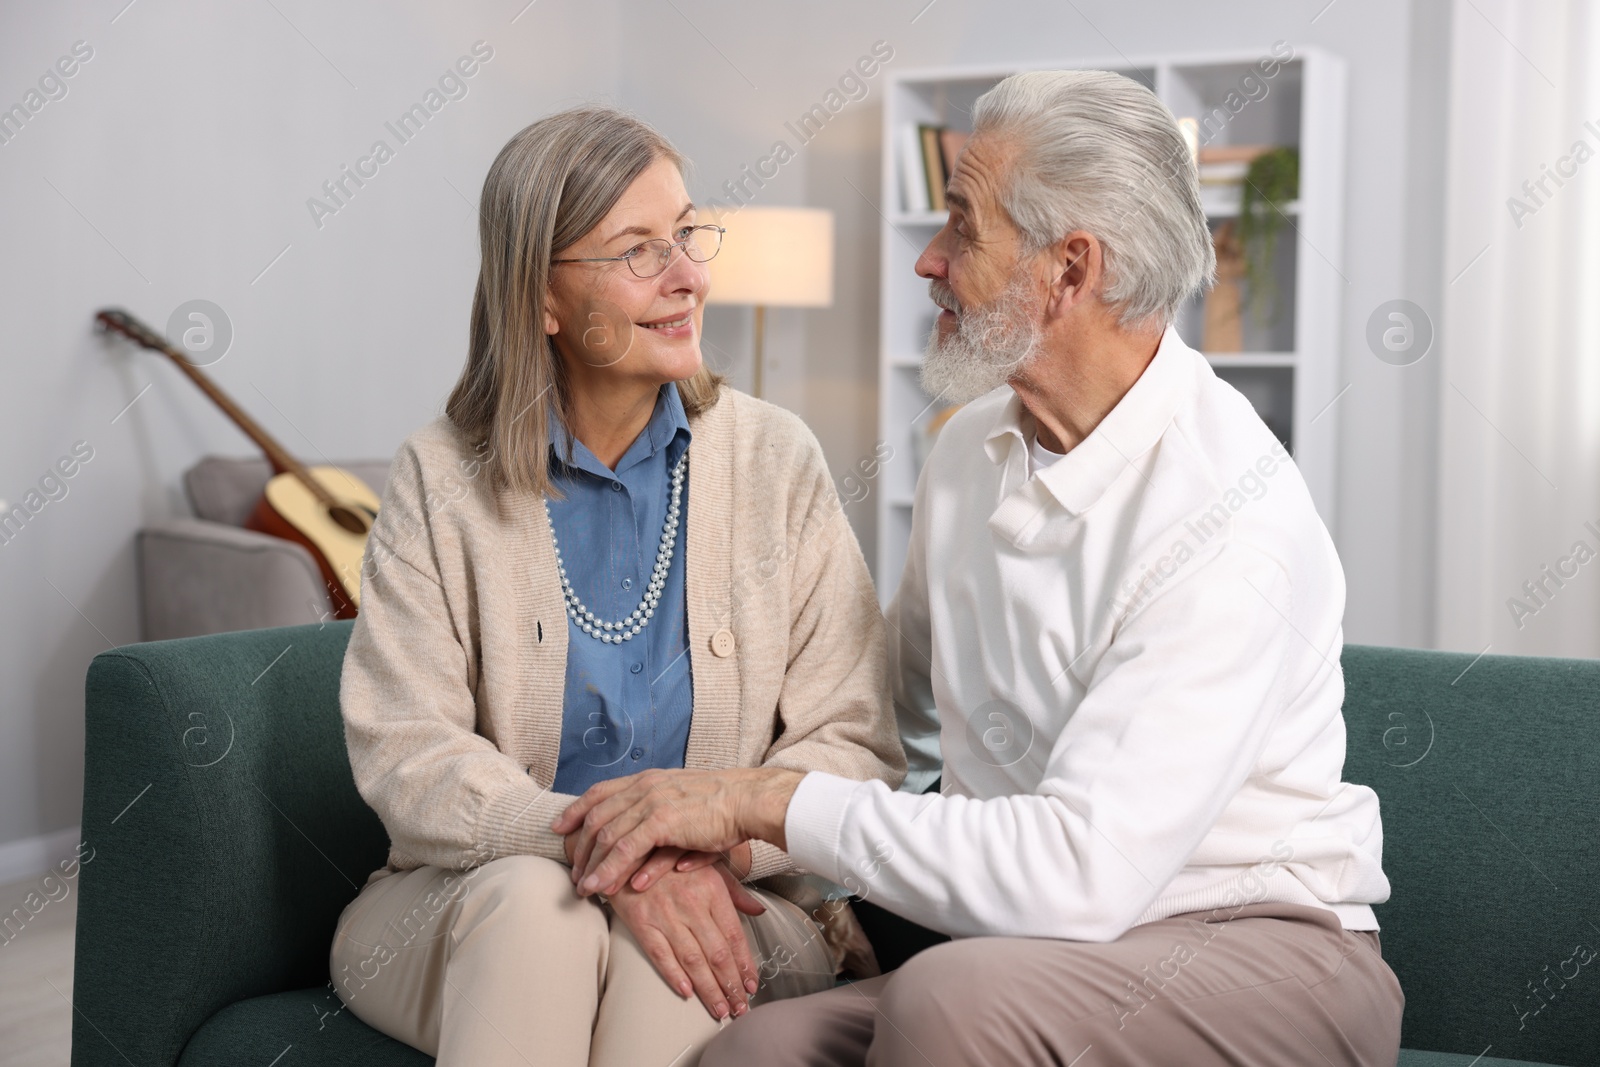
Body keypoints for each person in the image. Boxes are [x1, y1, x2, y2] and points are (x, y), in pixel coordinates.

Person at [552, 70, 1406, 1066]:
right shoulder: (972, 451)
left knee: (950, 997)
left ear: (1067, 271)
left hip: (1264, 954)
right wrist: (701, 836)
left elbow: (1085, 870)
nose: (928, 259)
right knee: (750, 1051)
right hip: (1035, 955)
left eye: (961, 226)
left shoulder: (1228, 517)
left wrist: (752, 798)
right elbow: (888, 713)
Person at [327, 105, 905, 1067]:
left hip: (740, 896)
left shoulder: (776, 462)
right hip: (473, 896)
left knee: (659, 952)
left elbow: (855, 742)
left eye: (686, 234)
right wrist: (609, 847)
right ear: (542, 297)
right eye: (638, 250)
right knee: (530, 910)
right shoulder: (440, 476)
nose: (689, 275)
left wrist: (707, 834)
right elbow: (406, 748)